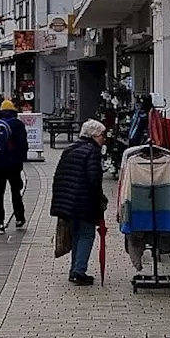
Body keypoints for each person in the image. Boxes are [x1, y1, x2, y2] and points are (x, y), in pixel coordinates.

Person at [50, 119, 108, 285]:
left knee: (76, 234)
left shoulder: (71, 148)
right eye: (103, 135)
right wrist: (100, 199)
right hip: (83, 200)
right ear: (94, 135)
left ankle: (74, 269)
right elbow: (93, 179)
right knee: (86, 234)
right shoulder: (92, 151)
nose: (104, 138)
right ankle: (79, 271)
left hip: (67, 201)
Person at [0, 100, 29, 233]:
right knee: (16, 191)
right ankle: (19, 217)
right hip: (14, 165)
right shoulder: (17, 124)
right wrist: (20, 160)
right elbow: (23, 145)